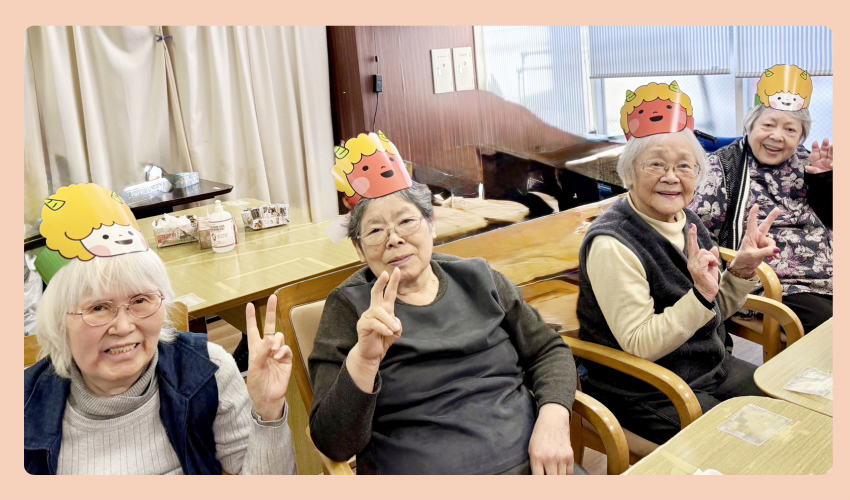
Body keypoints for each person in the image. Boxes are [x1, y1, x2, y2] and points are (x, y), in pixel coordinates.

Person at [308, 180, 580, 474]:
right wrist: (365, 361)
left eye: (406, 222)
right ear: (359, 249)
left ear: (432, 225)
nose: (394, 239)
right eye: (375, 231)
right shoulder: (348, 307)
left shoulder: (479, 278)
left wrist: (553, 419)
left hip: (535, 466)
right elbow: (334, 443)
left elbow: (548, 350)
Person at [25, 183, 297, 475]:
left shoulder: (210, 370)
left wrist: (269, 412)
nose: (123, 327)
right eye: (99, 308)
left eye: (140, 300)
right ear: (59, 321)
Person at [577, 128, 781, 445]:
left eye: (684, 165)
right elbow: (640, 344)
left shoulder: (687, 221)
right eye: (656, 164)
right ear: (629, 174)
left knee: (788, 415)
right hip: (647, 389)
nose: (671, 177)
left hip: (709, 368)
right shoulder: (612, 243)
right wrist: (700, 296)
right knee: (746, 445)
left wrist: (742, 269)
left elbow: (712, 309)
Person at [690, 64, 833, 333]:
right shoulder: (723, 167)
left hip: (830, 272)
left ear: (800, 137)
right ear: (751, 125)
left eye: (790, 130)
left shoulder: (807, 160)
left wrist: (823, 180)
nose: (777, 136)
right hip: (772, 282)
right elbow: (699, 231)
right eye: (768, 125)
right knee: (830, 328)